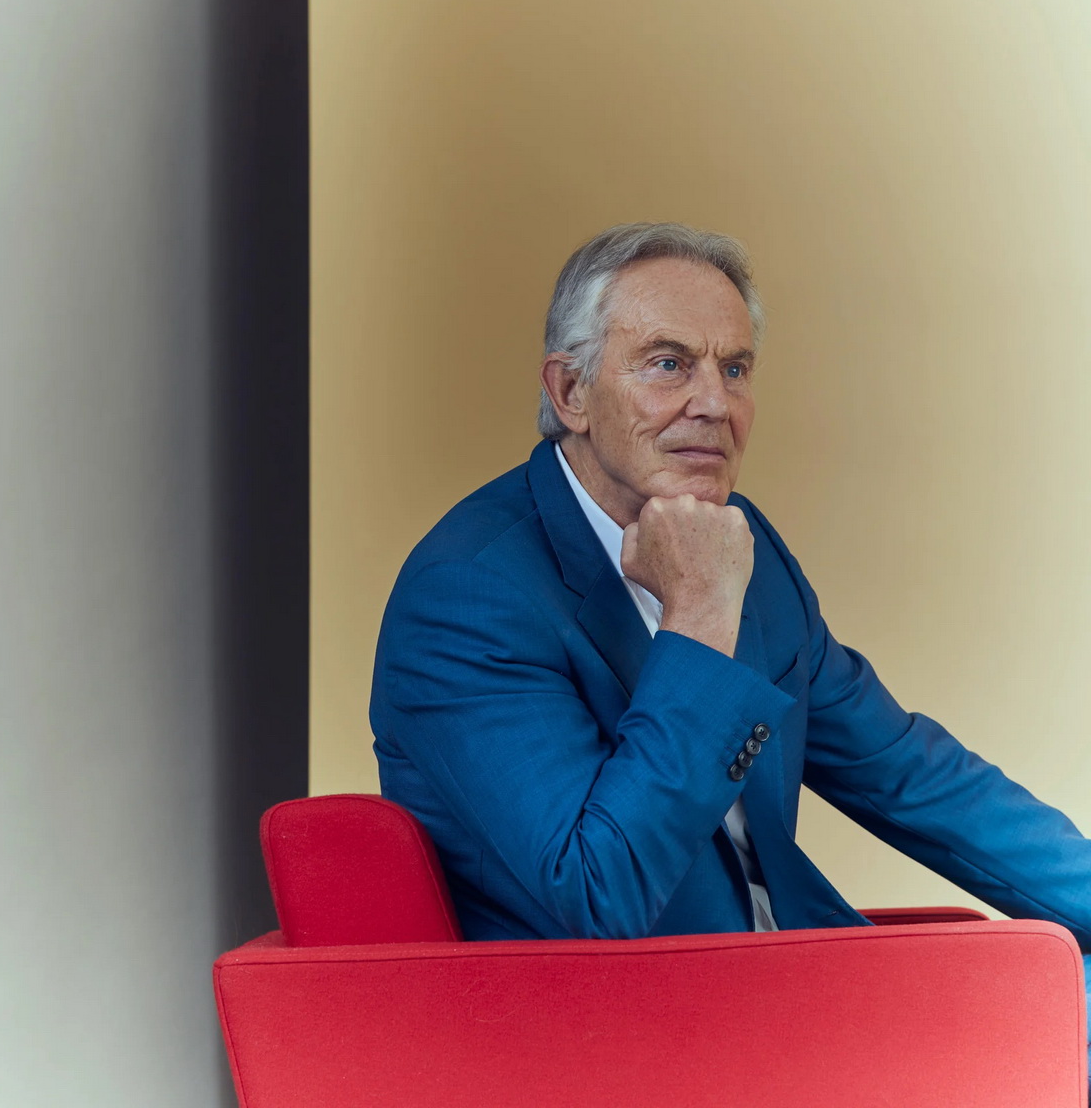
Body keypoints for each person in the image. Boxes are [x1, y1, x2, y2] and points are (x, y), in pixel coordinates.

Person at [369, 221, 1091, 1041]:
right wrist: (702, 615)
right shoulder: (468, 595)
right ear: (571, 392)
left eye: (735, 369)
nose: (714, 403)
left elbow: (909, 777)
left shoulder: (742, 545)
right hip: (627, 1032)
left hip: (791, 983)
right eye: (668, 364)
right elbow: (602, 893)